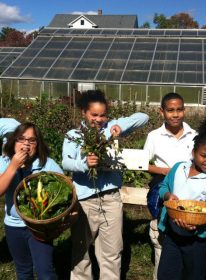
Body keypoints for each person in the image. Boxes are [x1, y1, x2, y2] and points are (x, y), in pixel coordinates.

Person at [62, 90, 149, 280]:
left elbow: (144, 117)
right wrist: (84, 164)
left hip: (111, 197)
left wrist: (118, 125)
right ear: (84, 112)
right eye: (94, 115)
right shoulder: (73, 135)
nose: (99, 119)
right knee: (81, 248)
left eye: (103, 115)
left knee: (112, 249)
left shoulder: (110, 128)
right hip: (85, 200)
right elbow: (66, 162)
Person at [0, 123, 63, 280]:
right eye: (21, 139)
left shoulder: (47, 164)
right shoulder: (5, 161)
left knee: (45, 271)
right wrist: (13, 166)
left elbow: (66, 194)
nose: (26, 144)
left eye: (31, 140)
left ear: (38, 144)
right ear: (13, 142)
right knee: (23, 270)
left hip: (39, 227)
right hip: (13, 225)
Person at [143, 92, 197, 280]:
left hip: (188, 190)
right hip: (163, 187)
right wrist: (166, 171)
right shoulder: (154, 136)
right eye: (170, 110)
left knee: (187, 229)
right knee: (163, 233)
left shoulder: (194, 135)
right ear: (162, 112)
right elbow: (143, 163)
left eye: (179, 110)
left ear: (185, 110)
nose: (175, 114)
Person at [156, 131, 206, 280]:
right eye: (204, 155)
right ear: (193, 152)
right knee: (166, 275)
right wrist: (168, 196)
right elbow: (164, 187)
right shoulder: (179, 168)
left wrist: (194, 225)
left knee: (193, 275)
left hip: (196, 240)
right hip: (172, 236)